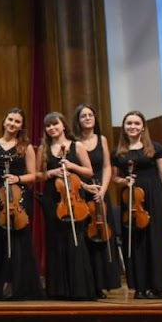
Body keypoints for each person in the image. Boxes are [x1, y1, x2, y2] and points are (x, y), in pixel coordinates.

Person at [113, 110, 162, 299]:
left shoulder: (155, 148)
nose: (132, 127)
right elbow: (114, 178)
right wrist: (124, 181)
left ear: (143, 127)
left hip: (154, 196)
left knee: (156, 240)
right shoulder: (118, 152)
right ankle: (139, 287)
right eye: (129, 123)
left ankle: (157, 286)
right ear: (124, 127)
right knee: (135, 242)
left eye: (136, 123)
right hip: (131, 200)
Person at [0, 107, 43, 300]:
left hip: (20, 199)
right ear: (4, 121)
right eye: (10, 119)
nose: (13, 124)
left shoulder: (26, 147)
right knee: (1, 240)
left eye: (17, 121)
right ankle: (2, 286)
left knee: (20, 243)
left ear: (21, 126)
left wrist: (17, 178)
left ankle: (20, 287)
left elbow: (33, 175)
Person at [38, 112, 96, 301]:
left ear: (63, 125)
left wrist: (71, 166)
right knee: (55, 240)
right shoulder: (43, 148)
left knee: (75, 239)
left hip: (74, 197)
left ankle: (79, 288)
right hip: (52, 197)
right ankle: (58, 289)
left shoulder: (76, 146)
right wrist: (50, 173)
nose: (51, 128)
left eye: (55, 124)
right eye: (48, 126)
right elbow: (38, 175)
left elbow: (89, 171)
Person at [73, 103, 121, 296]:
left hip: (100, 191)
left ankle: (102, 282)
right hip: (80, 192)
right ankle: (88, 283)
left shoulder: (102, 139)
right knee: (85, 237)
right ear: (78, 120)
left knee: (102, 235)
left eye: (90, 115)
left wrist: (103, 190)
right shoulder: (74, 142)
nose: (87, 118)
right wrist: (84, 186)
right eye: (83, 116)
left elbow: (107, 167)